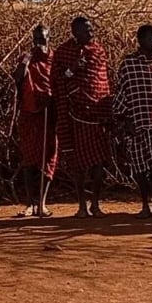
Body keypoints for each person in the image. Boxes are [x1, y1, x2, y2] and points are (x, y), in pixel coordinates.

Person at [53, 16, 114, 217]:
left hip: (98, 114)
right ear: (75, 32)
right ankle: (81, 205)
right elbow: (57, 80)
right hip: (76, 115)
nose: (90, 33)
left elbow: (102, 81)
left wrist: (106, 109)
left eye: (91, 29)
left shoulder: (98, 51)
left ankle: (95, 204)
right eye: (85, 30)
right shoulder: (64, 52)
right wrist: (73, 68)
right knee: (78, 163)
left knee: (99, 161)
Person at [113, 25, 152, 217]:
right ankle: (145, 204)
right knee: (139, 167)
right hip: (137, 125)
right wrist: (125, 121)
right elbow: (122, 93)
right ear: (140, 41)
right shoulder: (129, 64)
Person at [13, 25, 58, 217]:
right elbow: (17, 78)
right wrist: (27, 59)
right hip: (30, 114)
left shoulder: (55, 59)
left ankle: (42, 203)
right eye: (36, 40)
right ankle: (30, 203)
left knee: (48, 159)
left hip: (50, 114)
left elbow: (61, 83)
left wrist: (52, 98)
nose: (39, 43)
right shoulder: (27, 58)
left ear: (49, 38)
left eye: (42, 39)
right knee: (29, 159)